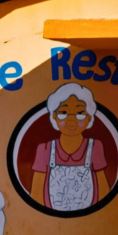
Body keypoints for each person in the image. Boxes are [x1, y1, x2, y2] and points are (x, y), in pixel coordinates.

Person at [29, 83, 111, 212]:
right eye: (63, 112)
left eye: (79, 113)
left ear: (89, 118)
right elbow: (36, 194)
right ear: (54, 116)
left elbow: (104, 191)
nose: (71, 120)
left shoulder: (95, 147)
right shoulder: (44, 149)